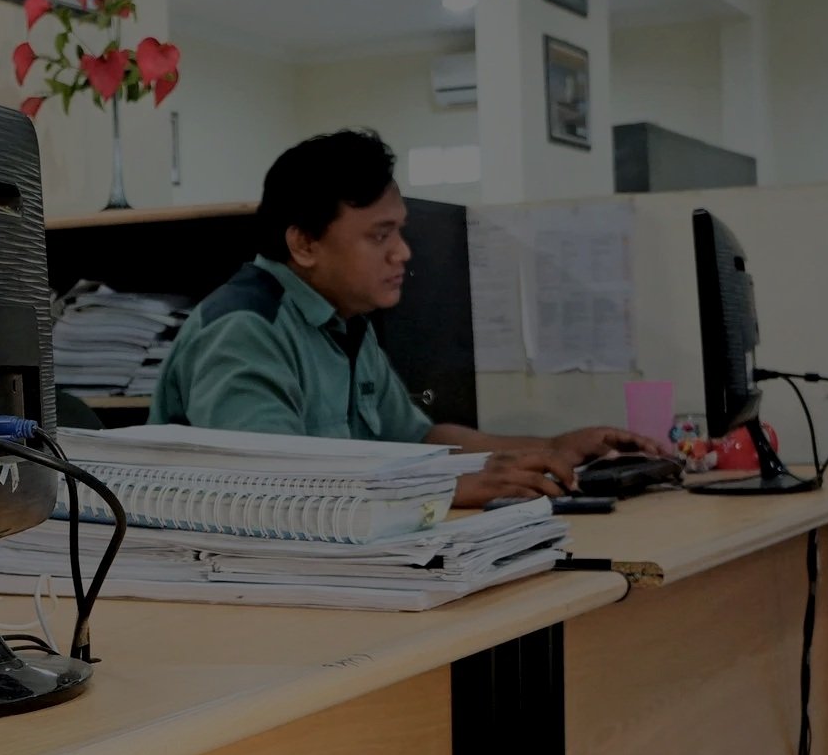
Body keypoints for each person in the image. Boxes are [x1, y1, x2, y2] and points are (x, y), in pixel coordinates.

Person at [151, 129, 668, 507]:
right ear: (304, 243)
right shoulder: (246, 329)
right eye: (379, 235)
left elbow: (417, 438)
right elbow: (275, 487)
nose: (402, 253)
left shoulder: (344, 320)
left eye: (399, 231)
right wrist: (451, 489)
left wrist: (555, 448)